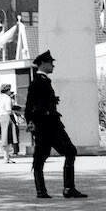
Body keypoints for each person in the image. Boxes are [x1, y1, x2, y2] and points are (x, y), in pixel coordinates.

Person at [24, 50, 87, 199]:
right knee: (54, 155)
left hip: (49, 125)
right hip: (47, 126)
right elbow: (29, 105)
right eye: (51, 63)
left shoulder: (43, 80)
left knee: (48, 156)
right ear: (43, 64)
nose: (53, 65)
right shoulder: (38, 82)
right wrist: (31, 121)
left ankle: (49, 190)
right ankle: (63, 189)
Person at [0, 83, 16, 163]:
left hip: (1, 116)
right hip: (7, 117)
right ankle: (7, 157)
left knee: (5, 137)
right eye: (9, 90)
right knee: (9, 137)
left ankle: (6, 156)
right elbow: (8, 110)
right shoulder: (7, 98)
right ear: (7, 90)